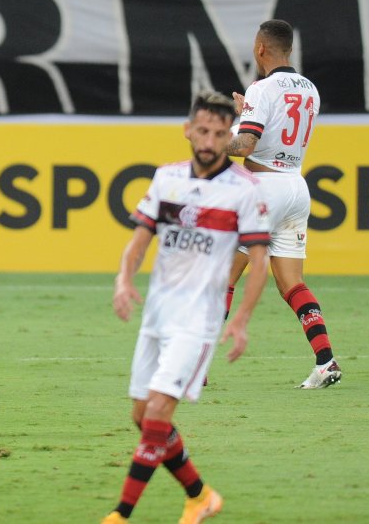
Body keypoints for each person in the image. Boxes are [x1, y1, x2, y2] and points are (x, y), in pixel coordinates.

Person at [102, 92, 270, 524]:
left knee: (158, 411)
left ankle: (121, 514)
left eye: (219, 133)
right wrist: (124, 279)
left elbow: (259, 262)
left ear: (229, 135)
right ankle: (199, 495)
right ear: (188, 130)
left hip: (199, 320)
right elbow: (139, 241)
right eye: (203, 131)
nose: (209, 140)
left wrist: (241, 320)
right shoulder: (166, 179)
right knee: (142, 418)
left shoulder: (244, 191)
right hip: (157, 313)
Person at [225, 19, 342, 389]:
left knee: (223, 278)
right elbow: (276, 130)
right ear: (288, 48)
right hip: (295, 186)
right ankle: (326, 361)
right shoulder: (310, 90)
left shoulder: (261, 87)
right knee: (292, 283)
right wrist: (248, 115)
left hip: (262, 189)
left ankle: (194, 366)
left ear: (260, 48)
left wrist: (211, 142)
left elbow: (245, 146)